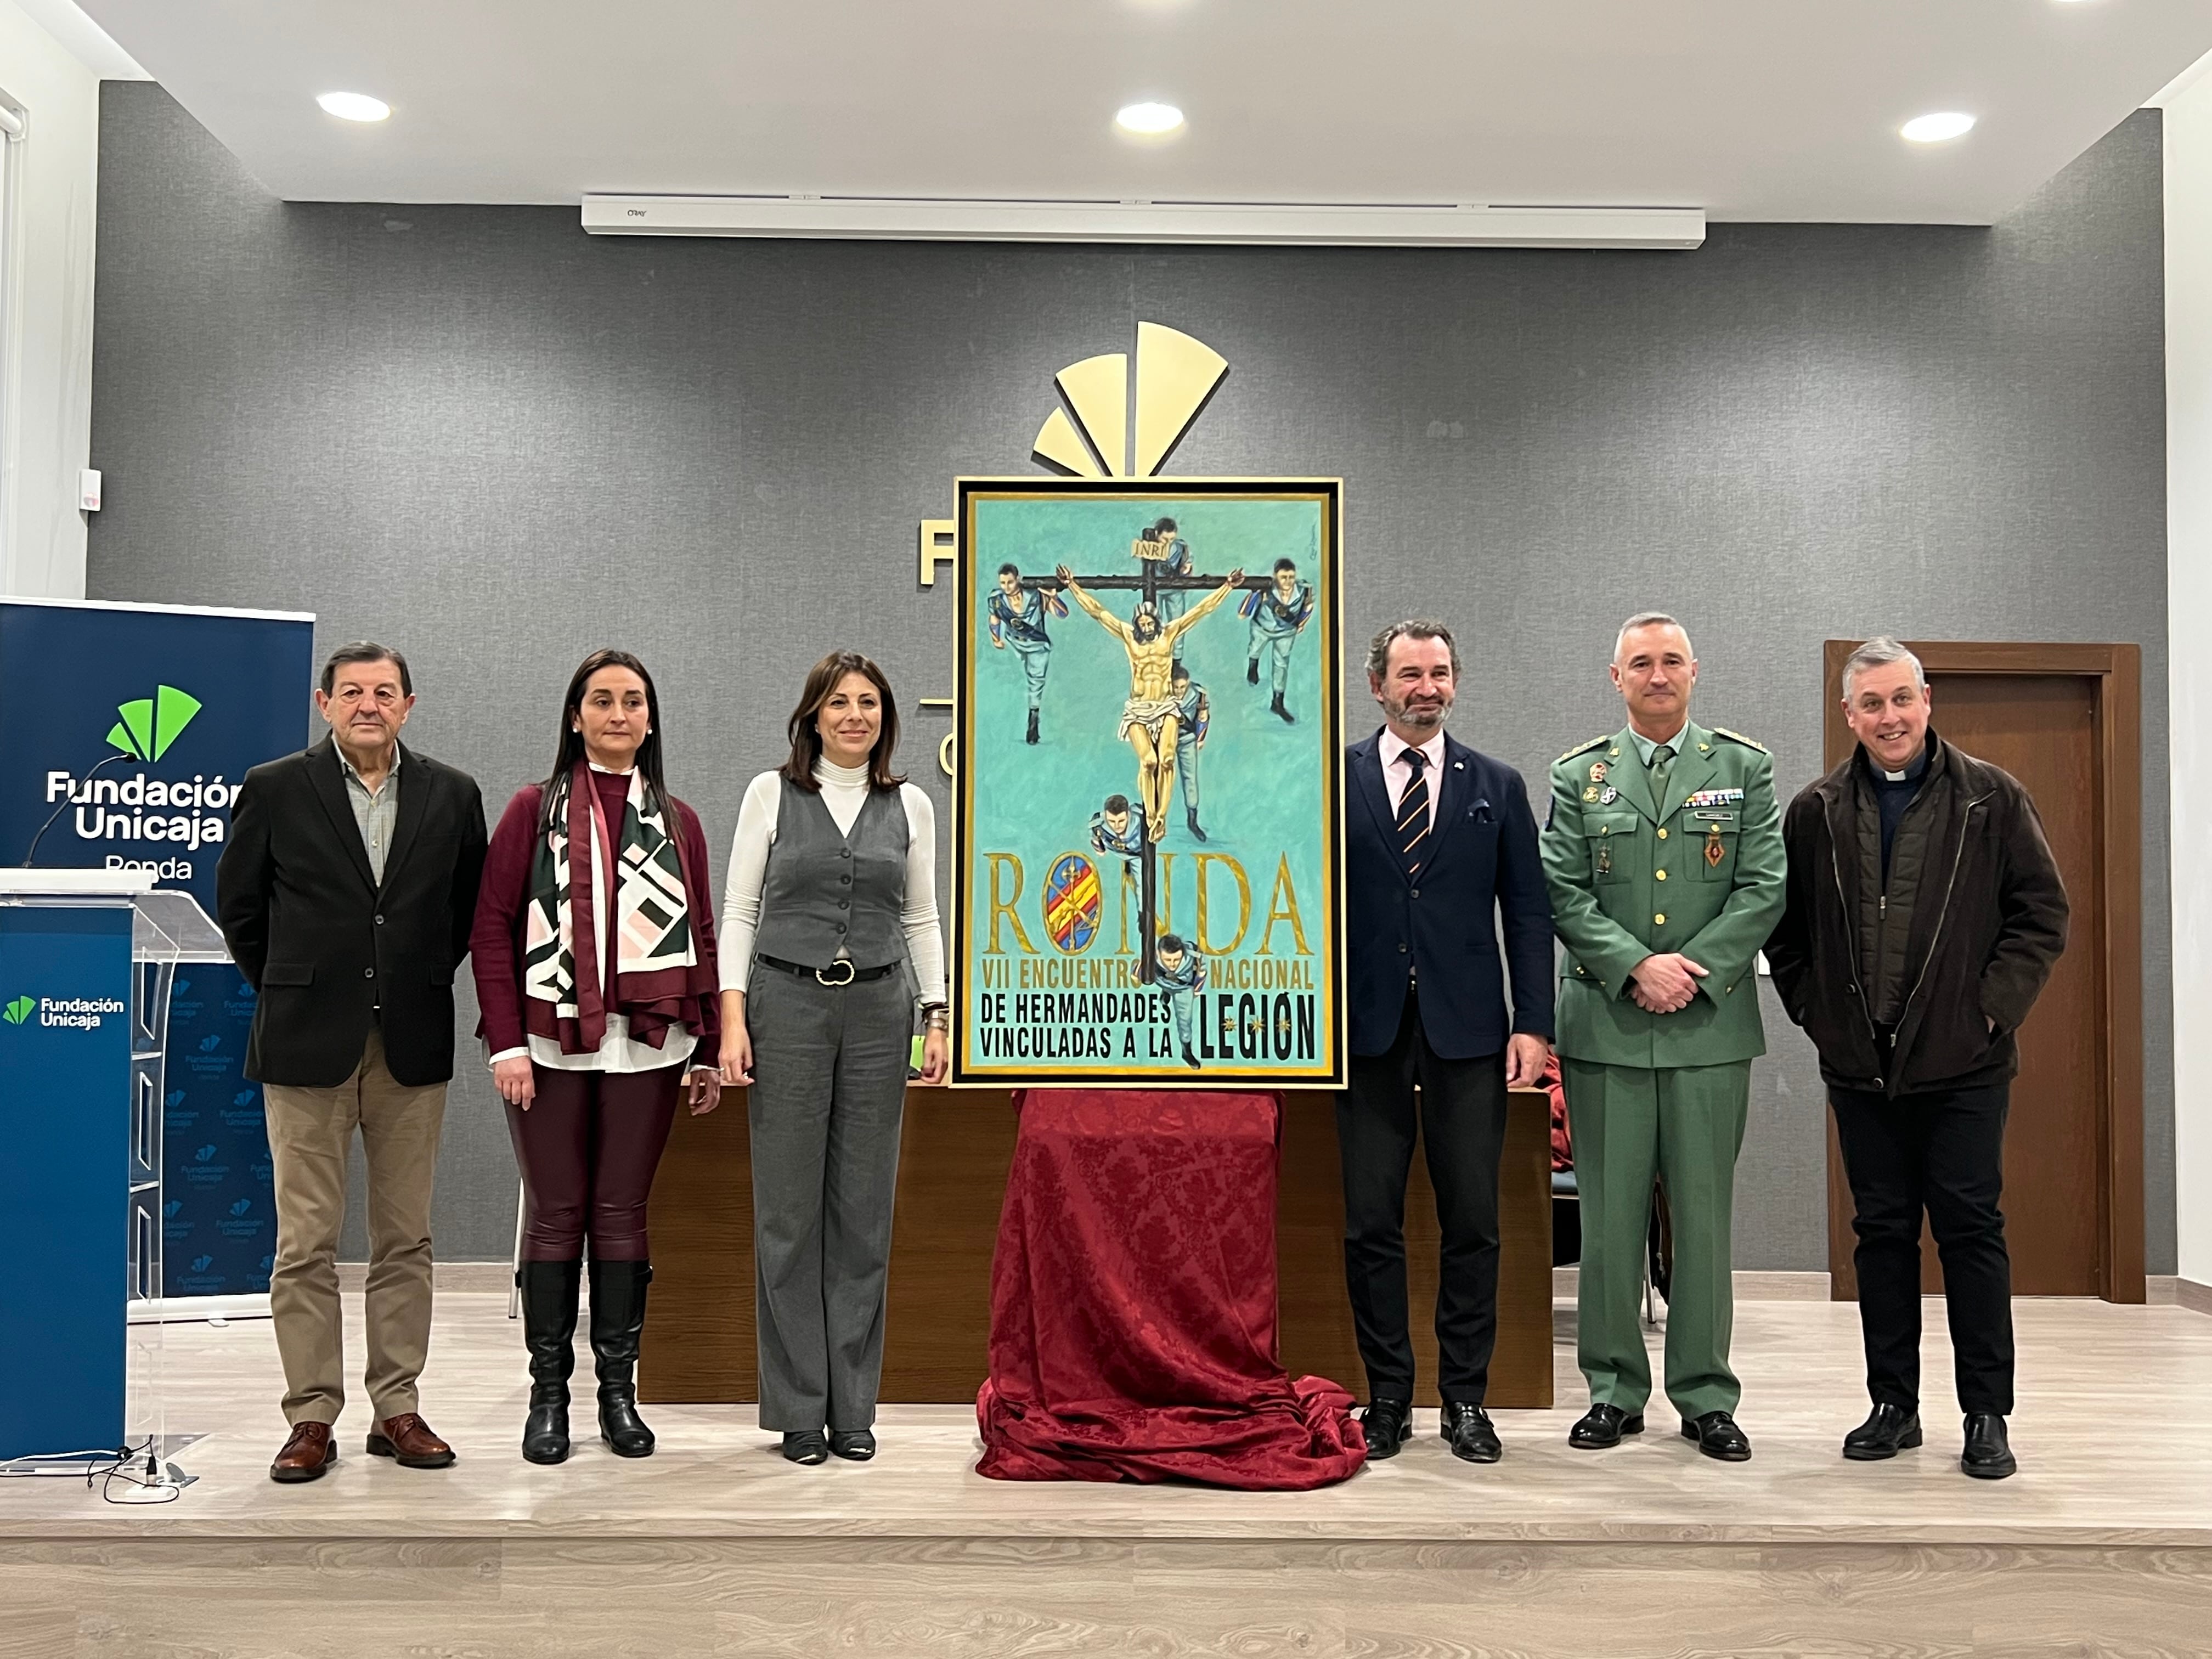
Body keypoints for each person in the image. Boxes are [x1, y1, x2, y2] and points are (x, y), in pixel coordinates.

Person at [1766, 637, 2067, 1481]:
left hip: (1965, 1066)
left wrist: (1988, 1013)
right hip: (1861, 1068)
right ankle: (1893, 1404)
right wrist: (1819, 1018)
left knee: (1973, 1232)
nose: (1889, 718)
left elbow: (2041, 915)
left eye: (1902, 699)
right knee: (1882, 1235)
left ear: (1926, 700)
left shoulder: (1992, 800)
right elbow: (1786, 937)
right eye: (1872, 705)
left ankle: (1986, 1414)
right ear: (1849, 714)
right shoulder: (1816, 810)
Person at [216, 642, 487, 1485]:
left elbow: (463, 911)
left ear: (410, 704)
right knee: (305, 1243)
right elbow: (240, 907)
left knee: (407, 1238)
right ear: (324, 702)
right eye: (353, 692)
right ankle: (310, 1416)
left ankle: (397, 1407)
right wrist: (296, 987)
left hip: (409, 1041)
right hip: (305, 1042)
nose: (369, 705)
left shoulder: (452, 794)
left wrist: (410, 979)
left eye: (385, 692)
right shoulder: (274, 787)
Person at [1539, 612, 1785, 1463]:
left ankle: (1707, 1396)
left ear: (1694, 671)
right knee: (1608, 1221)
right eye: (1640, 662)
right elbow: (1562, 891)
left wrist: (1694, 970)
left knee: (1703, 1220)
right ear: (1616, 678)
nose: (1657, 674)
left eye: (1671, 660)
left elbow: (1762, 889)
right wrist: (1637, 966)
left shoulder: (1744, 768)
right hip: (1608, 1024)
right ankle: (1613, 1391)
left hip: (1708, 1030)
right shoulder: (1581, 776)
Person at [469, 650, 723, 1465]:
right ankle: (551, 1397)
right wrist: (506, 1041)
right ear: (575, 717)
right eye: (602, 701)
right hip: (544, 1044)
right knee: (556, 1215)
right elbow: (492, 932)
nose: (619, 714)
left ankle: (619, 1395)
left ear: (650, 720)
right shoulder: (528, 810)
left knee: (620, 1214)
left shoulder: (680, 821)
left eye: (634, 702)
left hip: (649, 1045)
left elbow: (707, 940)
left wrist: (709, 1047)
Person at [718, 651, 949, 1465]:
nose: (855, 715)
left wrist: (938, 1014)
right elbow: (740, 910)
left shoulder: (912, 804)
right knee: (788, 1214)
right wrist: (733, 1017)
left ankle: (855, 1406)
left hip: (882, 1014)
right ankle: (798, 1411)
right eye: (839, 703)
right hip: (785, 1006)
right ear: (813, 714)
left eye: (869, 704)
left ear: (884, 717)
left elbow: (922, 916)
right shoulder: (770, 793)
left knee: (862, 1214)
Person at [1340, 620, 1553, 1464]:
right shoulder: (1334, 779)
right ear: (1378, 686)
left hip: (1471, 1034)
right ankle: (1388, 1395)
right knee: (1369, 1222)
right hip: (1363, 1033)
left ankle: (1467, 1398)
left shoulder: (1497, 786)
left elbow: (1529, 912)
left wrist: (1533, 1021)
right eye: (1408, 674)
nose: (1423, 688)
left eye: (1438, 674)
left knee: (1474, 1222)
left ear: (1455, 683)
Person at [1057, 561, 1244, 841]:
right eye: (1141, 624)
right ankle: (1150, 813)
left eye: (1149, 623)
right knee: (1148, 762)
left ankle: (1159, 818)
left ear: (1157, 623)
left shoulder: (1168, 635)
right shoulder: (1129, 638)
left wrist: (1227, 587)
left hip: (1166, 706)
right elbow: (1098, 612)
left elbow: (1201, 610)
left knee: (1167, 760)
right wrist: (1072, 585)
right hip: (1138, 709)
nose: (1145, 627)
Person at [985, 563, 1065, 746]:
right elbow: (994, 618)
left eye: (1010, 582)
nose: (1006, 587)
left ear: (1018, 579)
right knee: (1007, 680)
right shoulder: (996, 600)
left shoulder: (1036, 596)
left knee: (1036, 683)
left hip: (1036, 645)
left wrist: (1054, 597)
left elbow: (1062, 614)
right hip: (1014, 643)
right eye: (1003, 583)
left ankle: (1033, 718)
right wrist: (995, 638)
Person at [1243, 557, 1314, 724]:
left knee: (1281, 665)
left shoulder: (1304, 590)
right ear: (1275, 576)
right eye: (1284, 577)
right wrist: (1255, 596)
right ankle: (1253, 665)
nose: (1288, 581)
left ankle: (1277, 702)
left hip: (1286, 632)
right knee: (1255, 649)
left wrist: (1302, 623)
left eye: (1291, 577)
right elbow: (1244, 611)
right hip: (1262, 627)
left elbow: (1308, 606)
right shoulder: (1265, 590)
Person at [1170, 661, 1210, 842]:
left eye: (1183, 687)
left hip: (1187, 739)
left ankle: (1192, 821)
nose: (1179, 691)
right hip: (1166, 740)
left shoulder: (1197, 694)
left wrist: (1200, 737)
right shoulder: (1160, 693)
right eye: (1176, 687)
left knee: (1190, 779)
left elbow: (1203, 717)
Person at [1154, 933, 1206, 1069]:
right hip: (1162, 981)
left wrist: (1197, 990)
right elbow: (1139, 967)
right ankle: (1166, 993)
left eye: (1177, 960)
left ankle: (1186, 1051)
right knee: (1165, 988)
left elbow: (1202, 971)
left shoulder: (1194, 955)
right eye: (1167, 960)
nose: (1172, 965)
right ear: (1159, 954)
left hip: (1183, 988)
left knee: (1185, 1021)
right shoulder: (1152, 955)